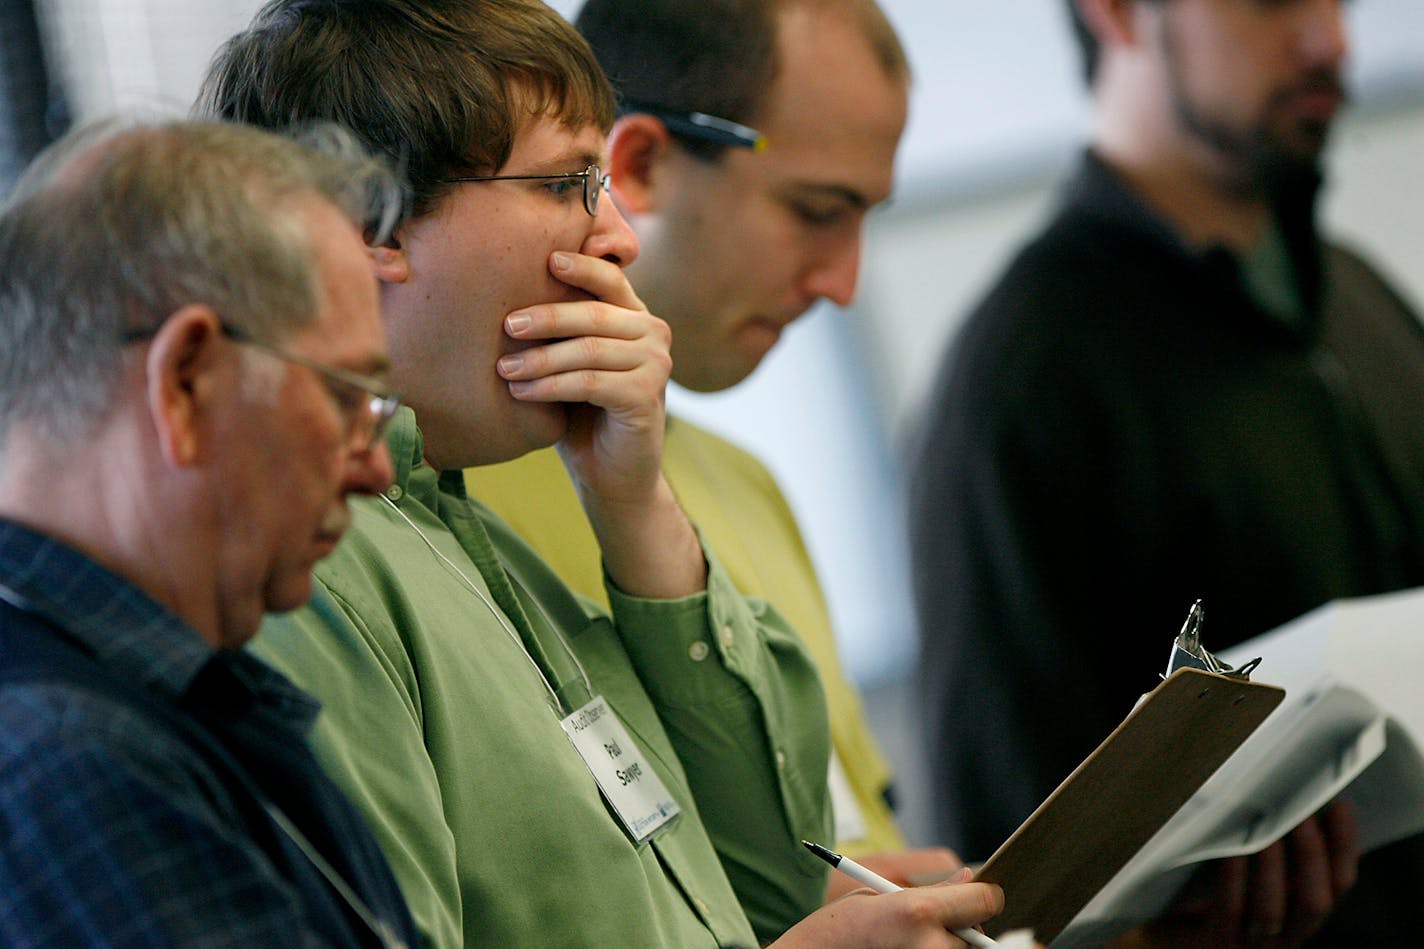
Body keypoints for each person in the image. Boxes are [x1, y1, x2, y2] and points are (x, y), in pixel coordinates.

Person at [201, 1, 1005, 947]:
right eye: (568, 183)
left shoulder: (474, 531)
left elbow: (772, 881)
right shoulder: (304, 571)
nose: (619, 236)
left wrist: (635, 509)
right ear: (363, 217)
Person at [908, 0, 1415, 941]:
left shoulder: (1359, 297)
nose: (1330, 40)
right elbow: (1007, 886)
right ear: (1117, 15)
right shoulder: (1025, 377)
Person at [464, 0, 960, 894]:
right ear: (641, 163)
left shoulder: (748, 485)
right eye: (816, 210)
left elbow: (849, 824)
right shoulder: (440, 498)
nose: (842, 283)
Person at [0, 117, 419, 946]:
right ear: (187, 381)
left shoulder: (153, 702)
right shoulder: (69, 764)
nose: (377, 469)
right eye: (347, 400)